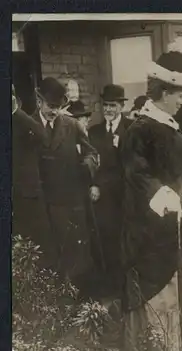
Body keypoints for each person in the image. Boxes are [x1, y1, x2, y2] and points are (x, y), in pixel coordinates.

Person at [120, 43, 182, 351]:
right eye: (178, 94)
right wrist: (165, 196)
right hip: (153, 235)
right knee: (163, 300)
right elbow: (137, 174)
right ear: (162, 92)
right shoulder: (141, 129)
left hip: (178, 230)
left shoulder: (173, 129)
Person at [31, 77, 99, 295]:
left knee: (73, 259)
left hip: (69, 203)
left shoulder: (72, 126)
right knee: (46, 259)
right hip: (40, 205)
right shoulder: (26, 127)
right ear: (39, 101)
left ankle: (74, 304)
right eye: (51, 106)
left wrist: (85, 167)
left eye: (58, 107)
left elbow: (92, 153)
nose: (54, 112)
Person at [87, 84, 133, 297]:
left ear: (122, 106)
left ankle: (126, 290)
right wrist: (93, 183)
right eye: (106, 105)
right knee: (106, 244)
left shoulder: (131, 129)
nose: (109, 110)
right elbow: (90, 163)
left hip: (124, 199)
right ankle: (110, 292)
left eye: (113, 105)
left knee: (124, 245)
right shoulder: (93, 132)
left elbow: (131, 166)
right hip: (103, 201)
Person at [12, 84, 54, 267]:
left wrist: (15, 111)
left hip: (27, 195)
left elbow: (42, 135)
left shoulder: (22, 121)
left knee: (37, 247)